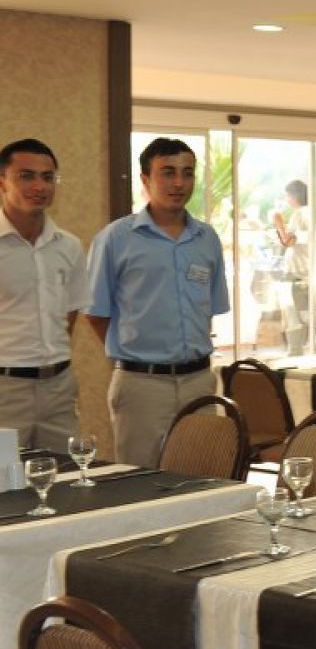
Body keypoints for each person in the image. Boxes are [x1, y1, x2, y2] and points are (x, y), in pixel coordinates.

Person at [85, 138, 230, 466]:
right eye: (168, 172)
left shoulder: (207, 239)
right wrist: (136, 355)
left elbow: (208, 310)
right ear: (145, 179)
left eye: (187, 173)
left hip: (199, 381)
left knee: (200, 474)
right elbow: (95, 314)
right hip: (142, 385)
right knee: (139, 479)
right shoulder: (116, 238)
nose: (179, 183)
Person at [0, 138, 89, 449]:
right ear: (2, 181)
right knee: (5, 477)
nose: (39, 186)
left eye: (48, 177)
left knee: (66, 471)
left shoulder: (70, 246)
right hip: (5, 389)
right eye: (26, 176)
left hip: (59, 388)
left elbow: (69, 318)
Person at [271, 179, 310, 353]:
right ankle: (302, 347)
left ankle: (295, 349)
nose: (287, 200)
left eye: (288, 196)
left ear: (295, 196)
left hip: (297, 272)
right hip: (309, 271)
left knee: (292, 313)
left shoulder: (300, 214)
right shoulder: (315, 213)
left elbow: (289, 241)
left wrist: (278, 222)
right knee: (305, 313)